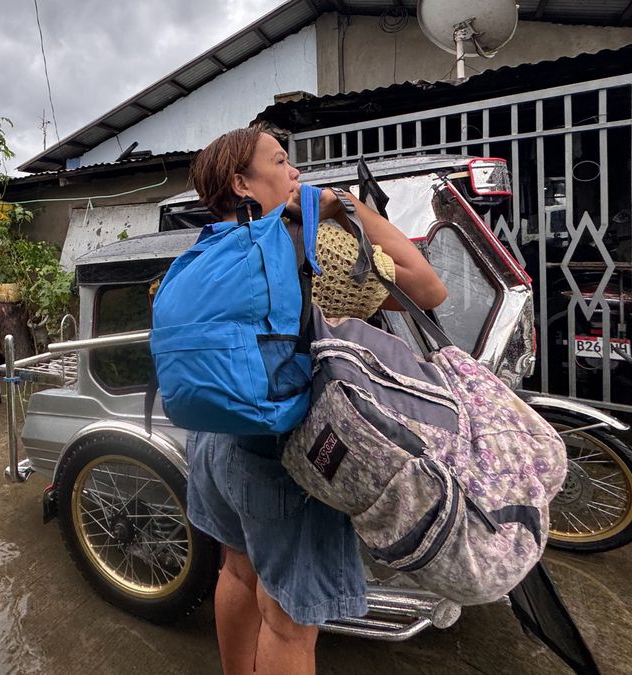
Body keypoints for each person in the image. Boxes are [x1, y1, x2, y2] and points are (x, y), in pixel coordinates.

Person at [185, 126, 446, 675]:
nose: (297, 172)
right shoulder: (312, 242)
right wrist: (343, 205)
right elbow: (427, 288)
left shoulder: (208, 245)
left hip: (214, 439)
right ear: (242, 182)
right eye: (282, 161)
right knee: (288, 622)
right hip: (288, 457)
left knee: (236, 571)